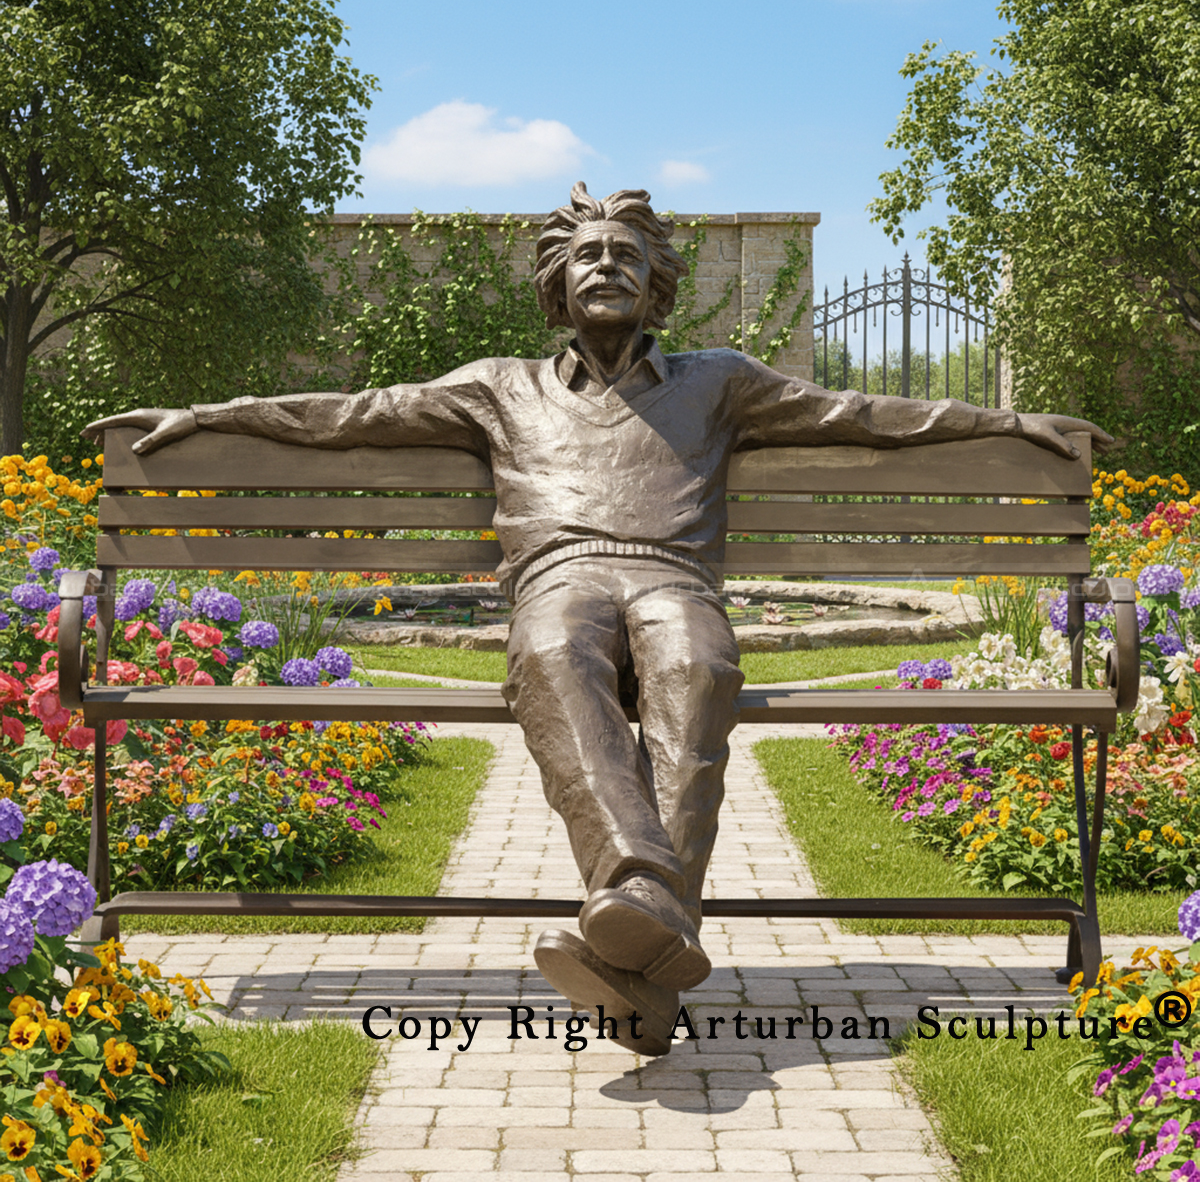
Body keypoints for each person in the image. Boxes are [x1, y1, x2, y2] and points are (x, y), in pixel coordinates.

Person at [85, 182, 1110, 1055]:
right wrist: (210, 419)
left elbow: (870, 417)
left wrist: (1013, 423)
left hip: (673, 580)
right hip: (561, 577)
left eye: (626, 254)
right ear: (556, 284)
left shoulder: (721, 382)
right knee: (550, 646)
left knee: (699, 667)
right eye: (587, 255)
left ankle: (636, 942)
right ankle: (650, 915)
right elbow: (348, 415)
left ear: (657, 281)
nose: (606, 267)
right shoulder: (496, 388)